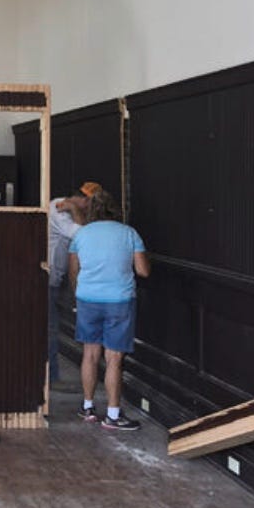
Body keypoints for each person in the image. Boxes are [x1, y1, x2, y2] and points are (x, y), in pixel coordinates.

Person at [68, 189, 150, 430]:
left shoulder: (81, 235)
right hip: (119, 301)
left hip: (87, 299)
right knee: (113, 359)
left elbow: (74, 270)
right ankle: (113, 415)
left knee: (89, 354)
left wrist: (78, 293)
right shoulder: (129, 233)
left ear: (90, 211)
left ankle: (87, 407)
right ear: (114, 209)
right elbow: (143, 271)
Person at [47, 181, 102, 383]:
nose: (89, 211)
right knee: (50, 329)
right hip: (47, 277)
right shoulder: (58, 210)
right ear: (85, 200)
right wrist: (74, 210)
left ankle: (50, 377)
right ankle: (50, 379)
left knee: (52, 327)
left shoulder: (68, 209)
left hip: (56, 277)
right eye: (89, 205)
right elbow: (82, 235)